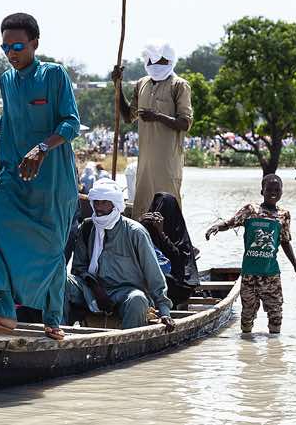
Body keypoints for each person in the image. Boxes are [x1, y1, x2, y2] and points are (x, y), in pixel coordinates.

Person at [0, 13, 80, 341]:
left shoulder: (54, 75)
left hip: (53, 182)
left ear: (35, 44)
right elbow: (12, 118)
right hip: (14, 176)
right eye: (5, 47)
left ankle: (53, 318)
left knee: (51, 250)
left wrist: (42, 148)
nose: (11, 53)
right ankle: (3, 311)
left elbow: (70, 122)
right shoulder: (7, 81)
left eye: (17, 46)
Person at [65, 179, 175, 331]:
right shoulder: (87, 227)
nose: (99, 207)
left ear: (115, 204)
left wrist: (164, 310)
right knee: (60, 281)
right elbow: (78, 268)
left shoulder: (135, 232)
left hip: (125, 292)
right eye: (96, 202)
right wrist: (96, 288)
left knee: (138, 299)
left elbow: (153, 274)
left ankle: (130, 347)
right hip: (91, 289)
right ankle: (60, 332)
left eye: (105, 203)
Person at [205, 174, 296, 334]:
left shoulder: (283, 215)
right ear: (262, 191)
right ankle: (246, 352)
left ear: (281, 192)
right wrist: (218, 227)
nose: (273, 192)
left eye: (277, 189)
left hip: (271, 275)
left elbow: (285, 242)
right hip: (249, 275)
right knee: (247, 317)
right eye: (269, 189)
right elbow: (231, 222)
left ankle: (274, 353)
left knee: (276, 315)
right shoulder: (250, 210)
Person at [112, 40, 193, 219]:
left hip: (168, 163)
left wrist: (158, 116)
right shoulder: (142, 83)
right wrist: (117, 85)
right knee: (143, 208)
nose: (155, 65)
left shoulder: (179, 85)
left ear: (170, 61)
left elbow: (185, 123)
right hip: (145, 163)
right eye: (152, 61)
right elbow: (128, 116)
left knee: (168, 208)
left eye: (161, 61)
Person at [139, 192, 200, 307]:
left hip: (178, 282)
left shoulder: (178, 232)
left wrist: (161, 233)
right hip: (151, 278)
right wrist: (139, 225)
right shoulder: (146, 227)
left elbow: (179, 261)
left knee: (162, 279)